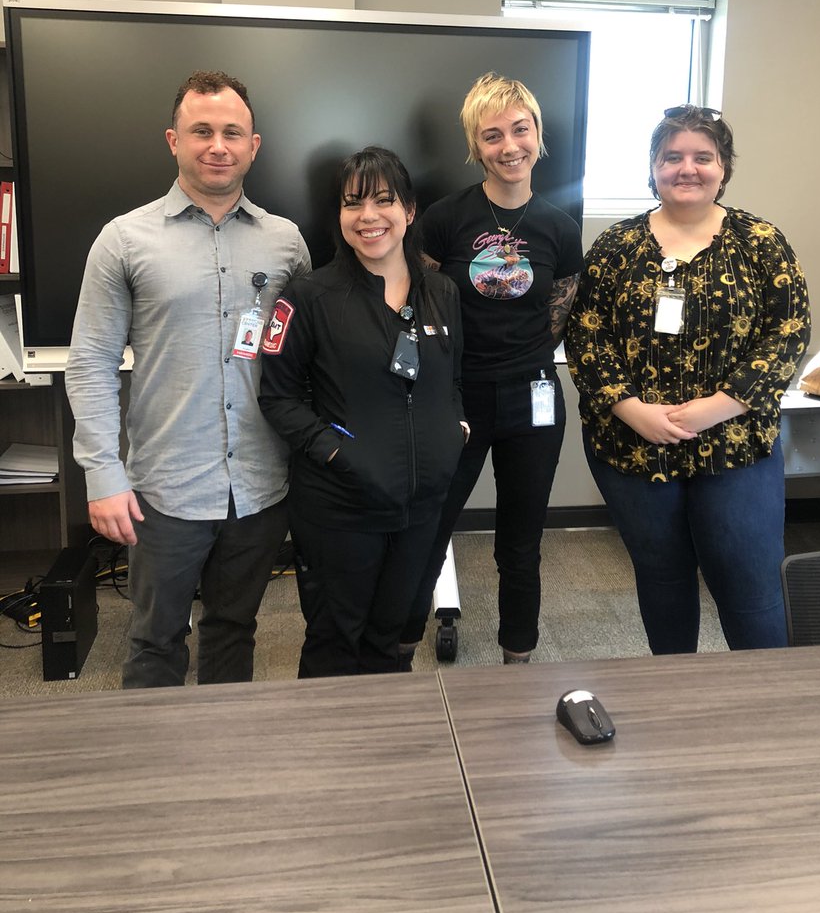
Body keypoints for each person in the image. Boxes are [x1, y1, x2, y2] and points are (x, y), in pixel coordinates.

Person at [65, 69, 310, 688]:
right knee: (155, 639)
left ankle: (222, 768)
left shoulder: (286, 243)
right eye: (201, 130)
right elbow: (91, 361)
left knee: (235, 629)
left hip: (260, 483)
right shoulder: (123, 240)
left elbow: (309, 358)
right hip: (164, 489)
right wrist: (102, 474)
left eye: (233, 132)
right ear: (173, 140)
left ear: (255, 146)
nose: (217, 145)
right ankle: (157, 777)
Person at [566, 104, 810, 654]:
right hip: (634, 447)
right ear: (652, 168)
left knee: (750, 585)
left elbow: (789, 333)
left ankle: (771, 707)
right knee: (663, 579)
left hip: (735, 443)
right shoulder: (617, 247)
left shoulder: (760, 242)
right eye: (671, 156)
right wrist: (630, 409)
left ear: (723, 168)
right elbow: (585, 335)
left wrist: (717, 407)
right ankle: (673, 698)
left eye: (703, 157)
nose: (687, 168)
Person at [258, 146, 467, 676]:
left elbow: (452, 378)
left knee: (390, 637)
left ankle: (385, 752)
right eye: (353, 204)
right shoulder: (309, 296)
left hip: (421, 504)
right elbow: (278, 397)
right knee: (334, 639)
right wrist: (336, 452)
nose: (368, 216)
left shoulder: (442, 291)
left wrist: (454, 429)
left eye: (383, 200)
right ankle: (330, 757)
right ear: (340, 217)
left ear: (410, 210)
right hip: (340, 505)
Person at [399, 72, 583, 666]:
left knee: (521, 544)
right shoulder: (445, 220)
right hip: (454, 398)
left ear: (538, 135)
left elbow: (559, 315)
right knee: (430, 527)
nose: (509, 146)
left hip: (533, 397)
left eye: (520, 130)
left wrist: (517, 357)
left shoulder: (560, 227)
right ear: (475, 147)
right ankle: (399, 644)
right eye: (492, 135)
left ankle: (518, 656)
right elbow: (416, 303)